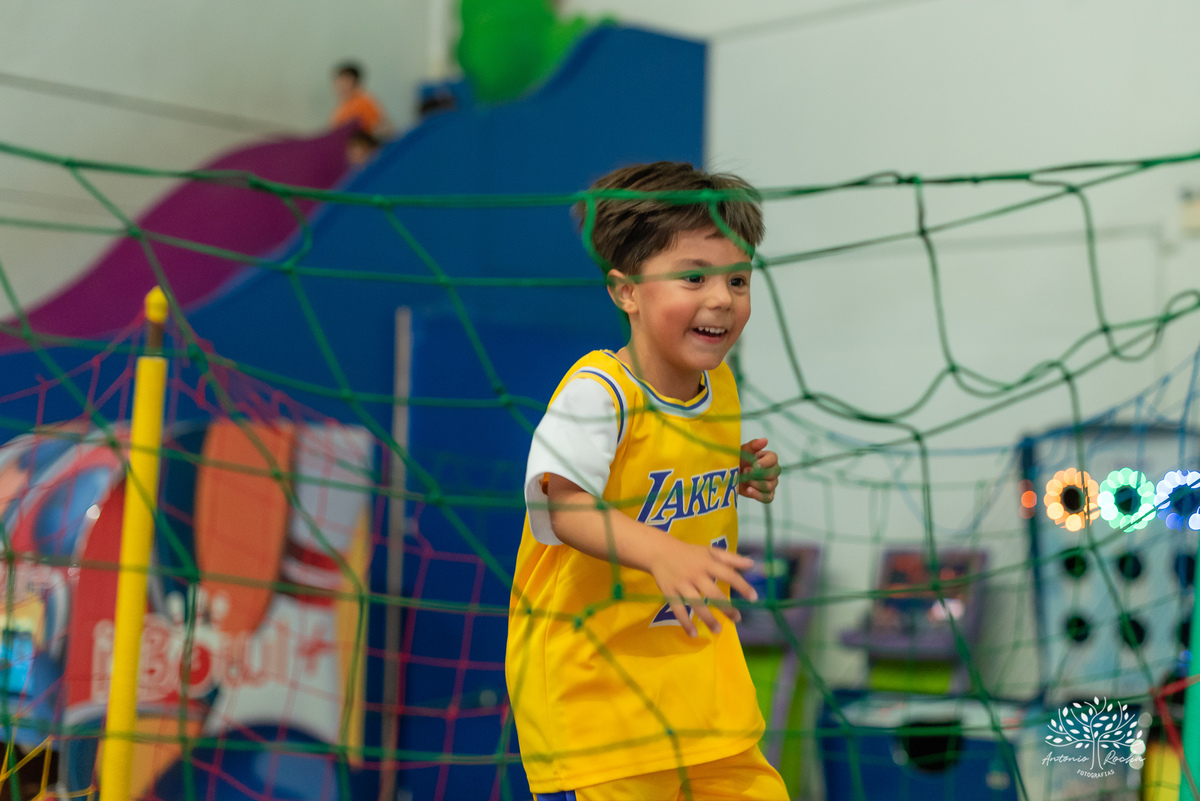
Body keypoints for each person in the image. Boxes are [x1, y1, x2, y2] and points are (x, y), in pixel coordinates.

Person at [506, 162, 787, 800]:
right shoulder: (597, 392)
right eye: (694, 277)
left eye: (738, 280)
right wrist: (662, 550)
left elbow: (673, 469)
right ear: (625, 290)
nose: (722, 298)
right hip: (602, 709)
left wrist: (739, 470)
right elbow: (563, 508)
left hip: (704, 699)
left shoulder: (718, 385)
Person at [330, 61, 390, 137]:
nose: (341, 85)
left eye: (346, 81)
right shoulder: (340, 107)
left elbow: (378, 128)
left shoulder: (363, 102)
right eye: (340, 81)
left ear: (355, 82)